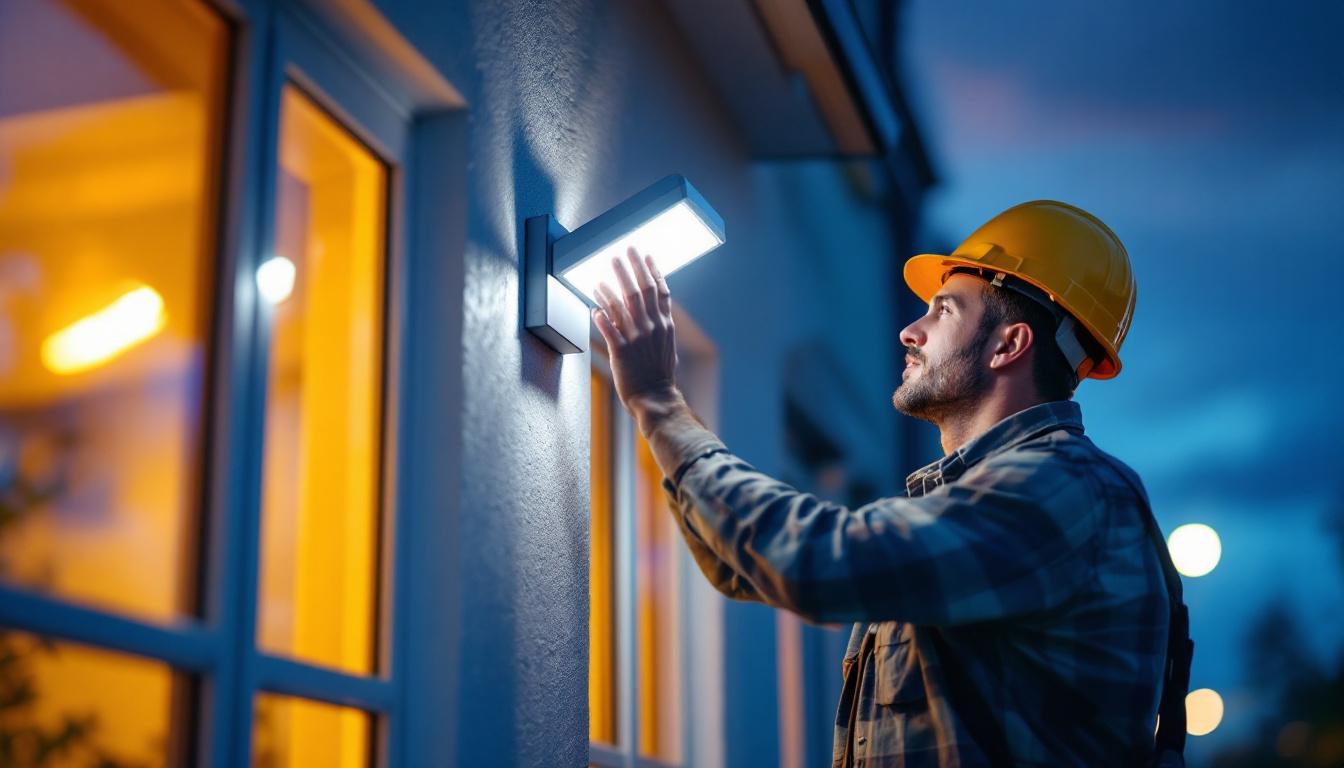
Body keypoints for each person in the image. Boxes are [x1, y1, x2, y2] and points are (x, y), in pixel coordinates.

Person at [589, 200, 1191, 767]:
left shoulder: (1064, 489)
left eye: (944, 310)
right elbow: (745, 564)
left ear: (1009, 345)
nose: (910, 330)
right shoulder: (992, 501)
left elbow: (815, 562)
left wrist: (659, 403)